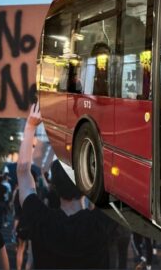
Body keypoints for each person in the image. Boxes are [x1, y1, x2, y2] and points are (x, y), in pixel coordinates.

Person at [17, 102, 117, 269]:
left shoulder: (41, 219)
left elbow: (22, 171)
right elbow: (115, 179)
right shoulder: (100, 223)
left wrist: (30, 127)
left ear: (52, 187)